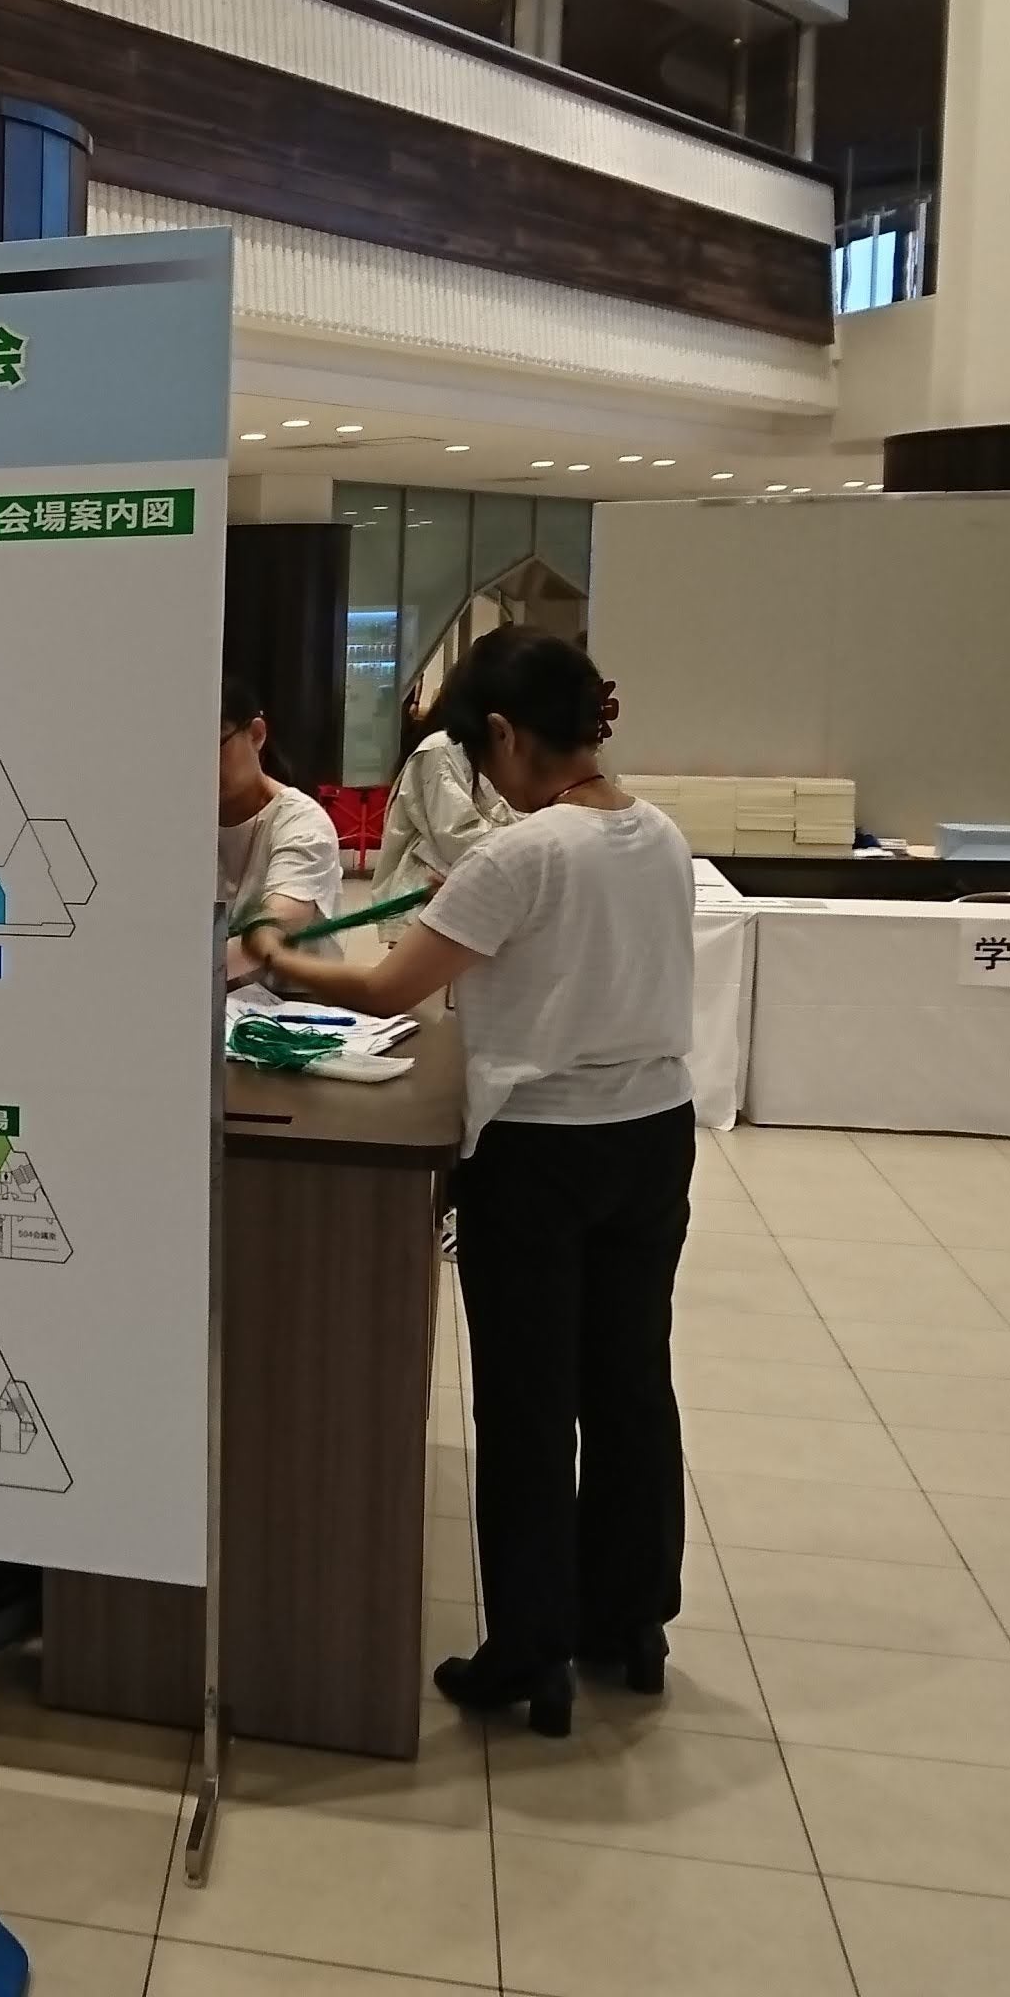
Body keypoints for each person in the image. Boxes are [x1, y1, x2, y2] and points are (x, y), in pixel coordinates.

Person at [241, 626, 694, 1738]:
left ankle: (530, 1651)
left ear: (503, 732)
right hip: (654, 1135)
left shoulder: (523, 855)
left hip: (541, 1152)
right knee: (630, 1382)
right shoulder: (659, 833)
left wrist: (275, 956)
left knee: (529, 1402)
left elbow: (387, 989)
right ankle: (631, 1622)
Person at [216, 672, 343, 984]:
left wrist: (176, 973)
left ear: (256, 734)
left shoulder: (302, 822)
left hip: (291, 1001)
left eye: (214, 745)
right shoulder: (178, 821)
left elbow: (279, 920)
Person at [369, 722, 517, 910]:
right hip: (429, 882)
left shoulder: (490, 752)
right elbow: (455, 833)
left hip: (472, 881)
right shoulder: (442, 749)